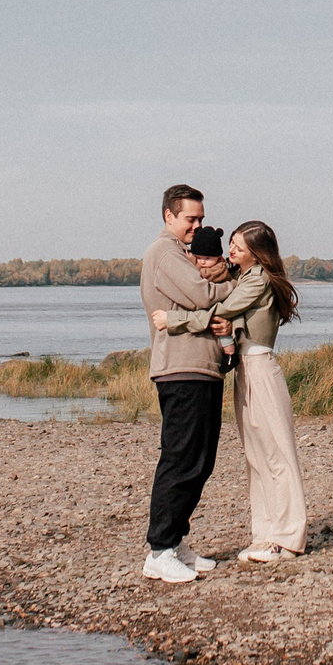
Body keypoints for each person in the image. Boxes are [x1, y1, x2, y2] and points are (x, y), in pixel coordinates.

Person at [152, 219, 305, 562]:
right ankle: (264, 534)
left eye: (237, 246)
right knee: (256, 457)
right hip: (246, 374)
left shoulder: (260, 280)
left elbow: (220, 308)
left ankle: (288, 538)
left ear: (256, 252)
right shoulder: (244, 279)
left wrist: (172, 321)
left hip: (262, 370)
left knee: (278, 455)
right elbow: (227, 313)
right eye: (231, 244)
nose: (230, 250)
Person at [139, 184, 231, 583]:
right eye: (190, 219)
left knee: (201, 461)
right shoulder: (165, 253)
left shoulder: (182, 253)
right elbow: (201, 295)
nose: (197, 226)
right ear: (169, 216)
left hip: (202, 367)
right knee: (180, 459)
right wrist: (234, 286)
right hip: (180, 368)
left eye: (201, 219)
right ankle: (159, 550)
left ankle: (175, 542)